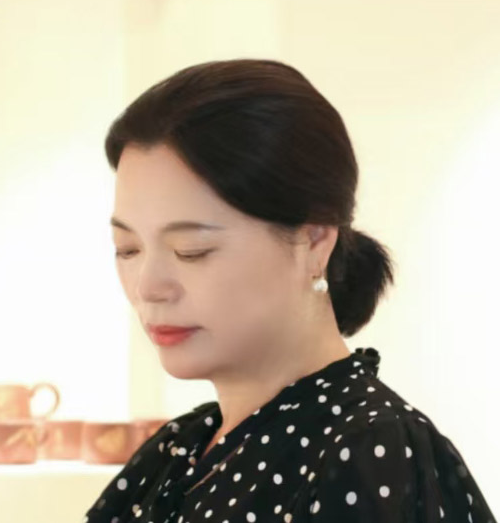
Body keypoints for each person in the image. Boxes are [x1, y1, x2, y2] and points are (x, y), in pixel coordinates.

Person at [82, 58, 497, 522]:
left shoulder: (366, 450)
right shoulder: (175, 450)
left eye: (191, 251)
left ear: (314, 240)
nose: (148, 287)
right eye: (128, 249)